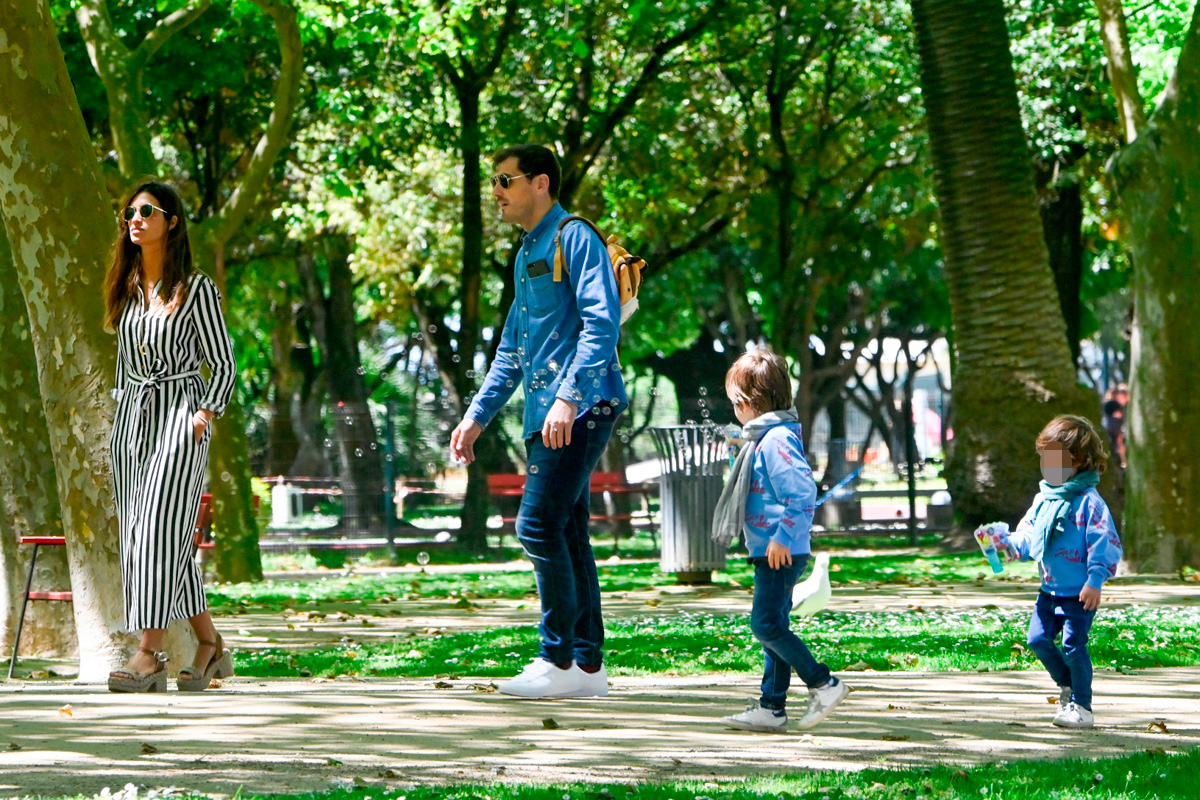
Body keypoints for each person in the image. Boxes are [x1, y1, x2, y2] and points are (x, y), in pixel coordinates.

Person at [449, 144, 627, 698]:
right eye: (495, 181)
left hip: (580, 406)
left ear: (541, 183)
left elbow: (603, 323)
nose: (496, 192)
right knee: (568, 529)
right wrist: (476, 417)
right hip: (547, 411)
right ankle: (586, 668)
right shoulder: (529, 249)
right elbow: (512, 349)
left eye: (506, 180)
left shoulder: (575, 237)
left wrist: (570, 398)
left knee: (536, 526)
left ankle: (559, 659)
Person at [103, 182, 237, 693]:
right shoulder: (129, 285)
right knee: (154, 541)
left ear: (171, 221)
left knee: (158, 531)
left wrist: (204, 412)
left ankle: (149, 653)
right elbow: (125, 363)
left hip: (180, 416)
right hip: (133, 422)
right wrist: (121, 426)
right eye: (128, 213)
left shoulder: (197, 288)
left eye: (146, 211)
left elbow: (222, 362)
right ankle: (210, 645)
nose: (134, 219)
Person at [714, 349, 848, 733]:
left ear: (748, 403)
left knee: (766, 625)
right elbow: (758, 487)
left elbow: (802, 492)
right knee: (774, 625)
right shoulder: (763, 438)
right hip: (770, 549)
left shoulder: (775, 439)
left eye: (734, 403)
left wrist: (783, 537)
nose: (734, 412)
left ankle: (824, 683)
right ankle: (772, 707)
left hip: (779, 551)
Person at [992, 415, 1122, 729]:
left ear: (1079, 461)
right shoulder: (1043, 500)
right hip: (1049, 591)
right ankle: (1068, 685)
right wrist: (1008, 546)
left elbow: (1103, 542)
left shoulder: (1089, 503)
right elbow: (1028, 536)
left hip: (1079, 593)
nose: (1047, 466)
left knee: (1073, 646)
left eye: (1054, 459)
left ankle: (1082, 707)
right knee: (1036, 638)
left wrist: (1095, 580)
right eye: (1044, 458)